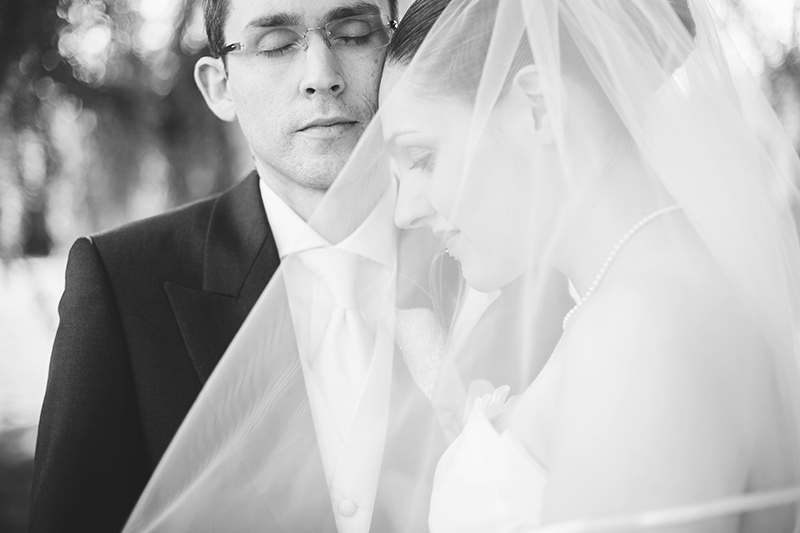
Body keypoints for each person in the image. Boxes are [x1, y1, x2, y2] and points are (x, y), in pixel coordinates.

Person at [372, 0, 800, 530]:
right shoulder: (639, 300)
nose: (405, 210)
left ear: (539, 108)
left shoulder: (640, 332)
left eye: (421, 158)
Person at [28, 0, 452, 531]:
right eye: (276, 45)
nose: (321, 76)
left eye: (351, 33)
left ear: (396, 47)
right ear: (219, 87)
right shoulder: (121, 284)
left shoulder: (492, 264)